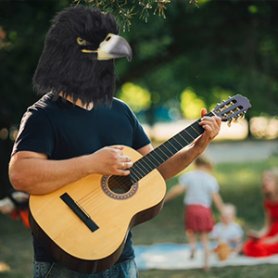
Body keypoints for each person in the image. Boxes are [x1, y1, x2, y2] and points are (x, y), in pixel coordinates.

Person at [8, 6, 221, 278]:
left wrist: (197, 147)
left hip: (121, 258)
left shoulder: (120, 111)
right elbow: (20, 174)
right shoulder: (42, 115)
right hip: (62, 263)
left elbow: (155, 170)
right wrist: (91, 164)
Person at [165, 156, 223, 271]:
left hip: (191, 208)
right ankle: (206, 265)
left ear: (195, 164)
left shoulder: (189, 176)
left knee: (190, 230)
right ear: (207, 165)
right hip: (204, 210)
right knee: (204, 238)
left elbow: (178, 189)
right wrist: (222, 210)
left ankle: (192, 247)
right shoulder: (210, 179)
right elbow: (216, 198)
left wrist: (165, 199)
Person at [243, 168, 278, 257]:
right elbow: (267, 226)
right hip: (273, 232)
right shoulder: (267, 202)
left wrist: (270, 240)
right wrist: (258, 235)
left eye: (268, 179)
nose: (264, 182)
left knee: (260, 247)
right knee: (249, 244)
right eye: (263, 179)